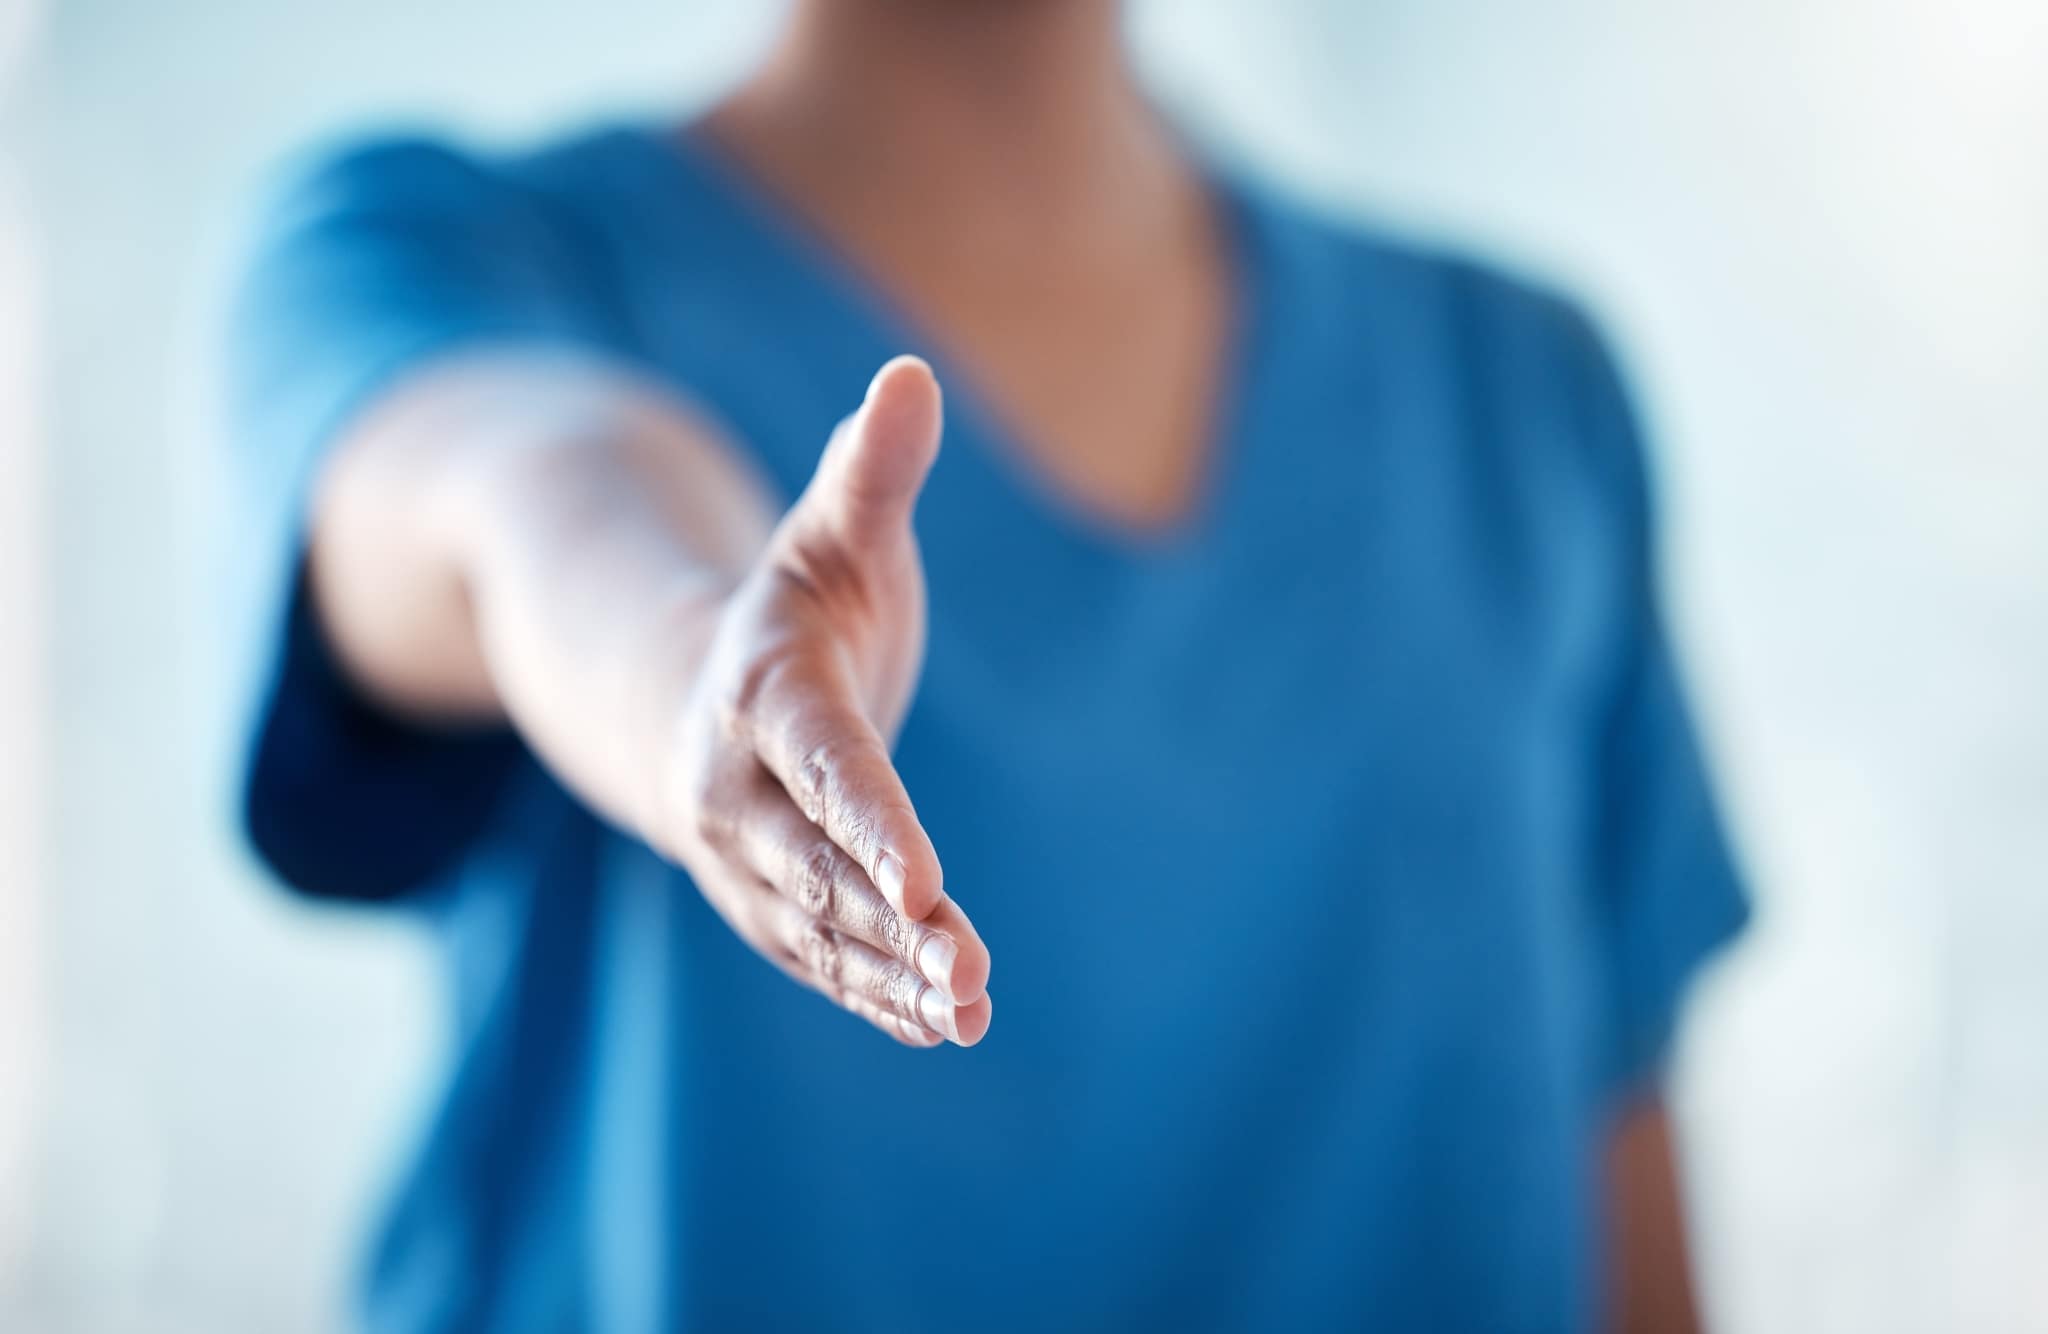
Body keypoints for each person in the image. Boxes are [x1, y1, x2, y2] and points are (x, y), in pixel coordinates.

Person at [225, 1, 1748, 1329]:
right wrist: (700, 660)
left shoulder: (1522, 402)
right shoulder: (429, 260)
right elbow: (521, 491)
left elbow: (1624, 1210)